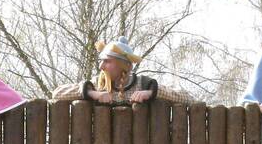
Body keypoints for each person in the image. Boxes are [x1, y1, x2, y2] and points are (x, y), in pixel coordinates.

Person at [52, 36, 195, 105]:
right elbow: (57, 93)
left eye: (107, 61)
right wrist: (92, 93)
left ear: (124, 65)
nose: (101, 66)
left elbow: (187, 98)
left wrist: (151, 92)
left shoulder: (142, 84)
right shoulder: (98, 84)